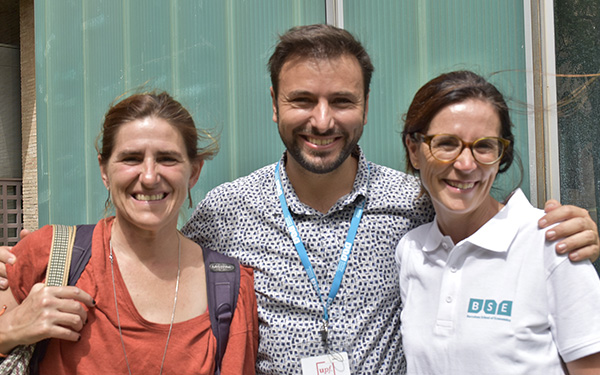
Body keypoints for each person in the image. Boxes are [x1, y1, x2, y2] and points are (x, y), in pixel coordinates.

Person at [0, 25, 598, 375]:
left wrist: (566, 228)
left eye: (341, 101)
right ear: (273, 102)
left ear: (365, 104)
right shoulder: (223, 214)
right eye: (301, 100)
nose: (321, 120)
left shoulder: (415, 206)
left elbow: (480, 211)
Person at [0, 92, 258, 374]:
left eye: (167, 159)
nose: (149, 177)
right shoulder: (51, 255)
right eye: (131, 158)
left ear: (194, 172)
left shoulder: (230, 289)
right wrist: (10, 329)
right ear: (104, 171)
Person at [396, 70, 600, 374]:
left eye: (483, 146)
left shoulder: (550, 242)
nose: (466, 164)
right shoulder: (411, 251)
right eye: (447, 143)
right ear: (415, 151)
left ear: (501, 154)